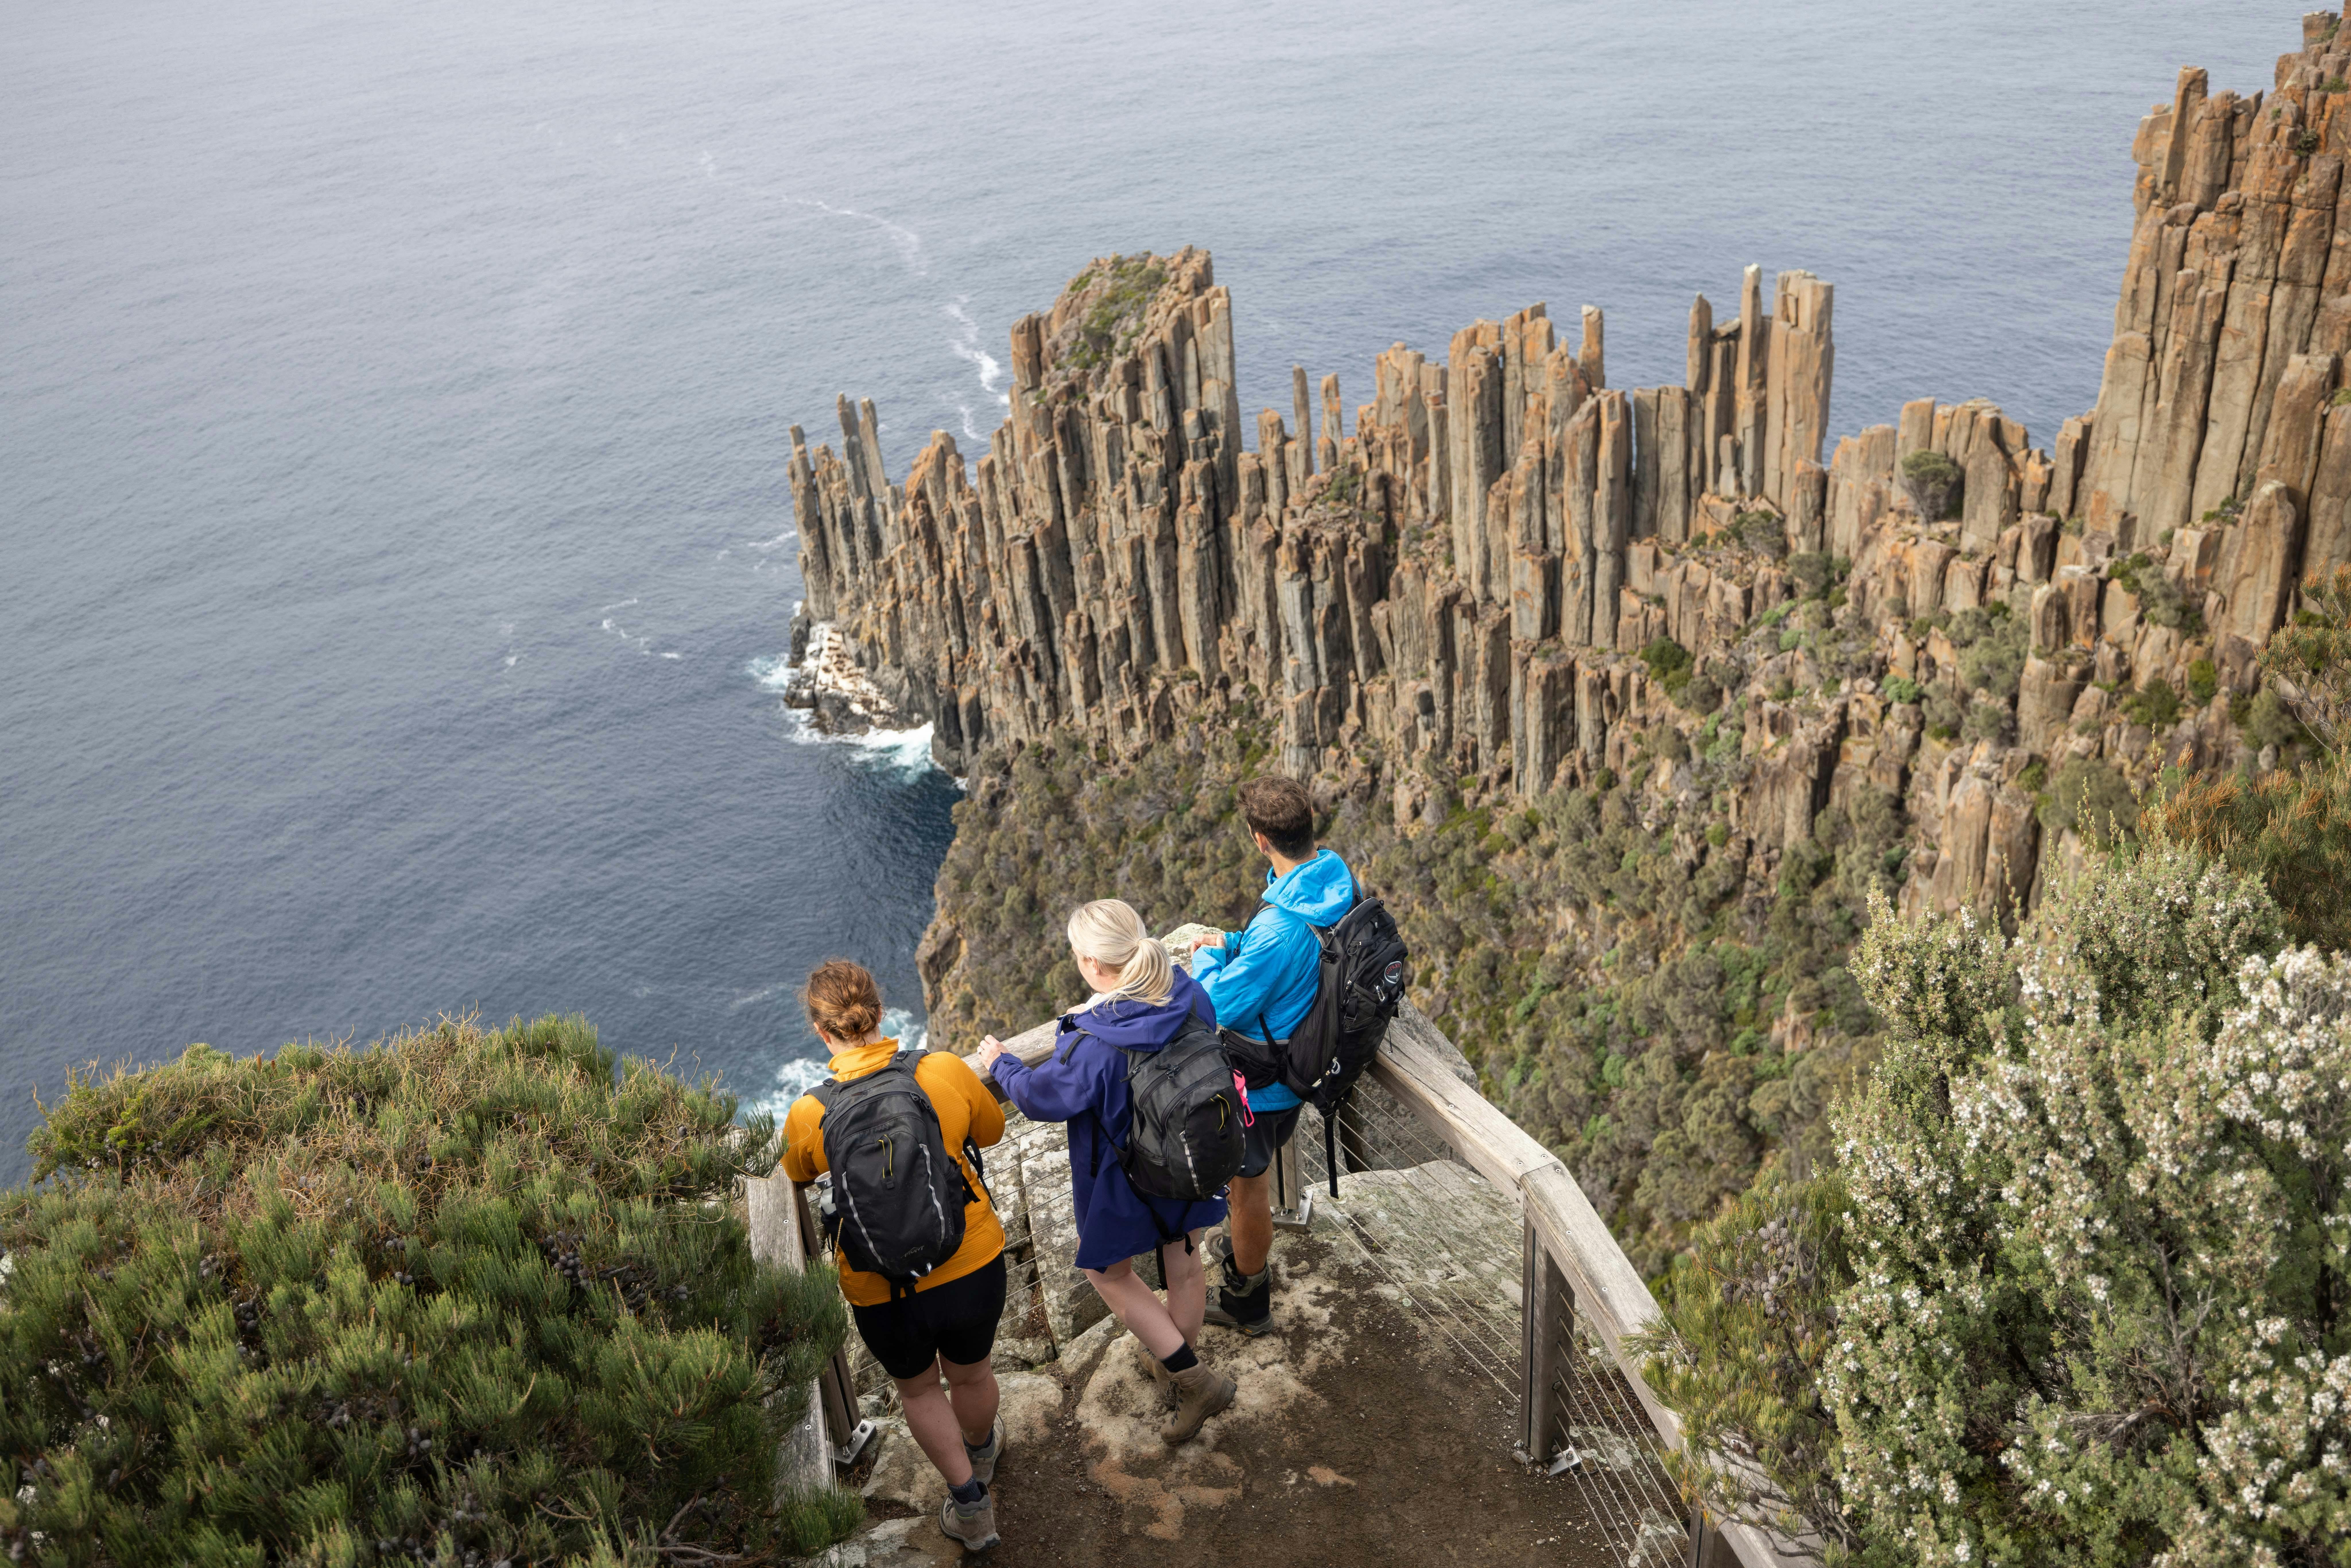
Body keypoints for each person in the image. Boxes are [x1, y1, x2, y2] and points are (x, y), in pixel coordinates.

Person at [976, 899, 1239, 1444]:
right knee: (1185, 1261)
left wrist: (1001, 1061)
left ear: (1093, 964)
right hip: (1192, 1154)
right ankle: (1174, 1359)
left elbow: (1042, 1097)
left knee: (1109, 1274)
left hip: (1129, 1175)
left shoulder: (1094, 1042)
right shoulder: (1189, 994)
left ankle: (1192, 1379)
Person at [781, 960, 1008, 1552]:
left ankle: (970, 1506)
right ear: (880, 1014)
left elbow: (796, 1172)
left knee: (919, 1391)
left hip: (882, 1285)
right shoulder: (941, 1069)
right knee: (974, 1371)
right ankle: (982, 1450)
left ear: (820, 1030)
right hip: (969, 1257)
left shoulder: (810, 1112)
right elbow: (992, 1131)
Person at [1180, 774, 1356, 1337]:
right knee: (1245, 1185)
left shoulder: (1280, 926)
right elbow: (1290, 950)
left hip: (1267, 1081)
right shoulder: (1331, 880)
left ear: (1259, 837)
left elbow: (1218, 1003)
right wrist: (1235, 944)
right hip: (1309, 1048)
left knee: (1247, 1186)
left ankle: (1247, 1298)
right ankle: (1242, 1252)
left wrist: (1204, 960)